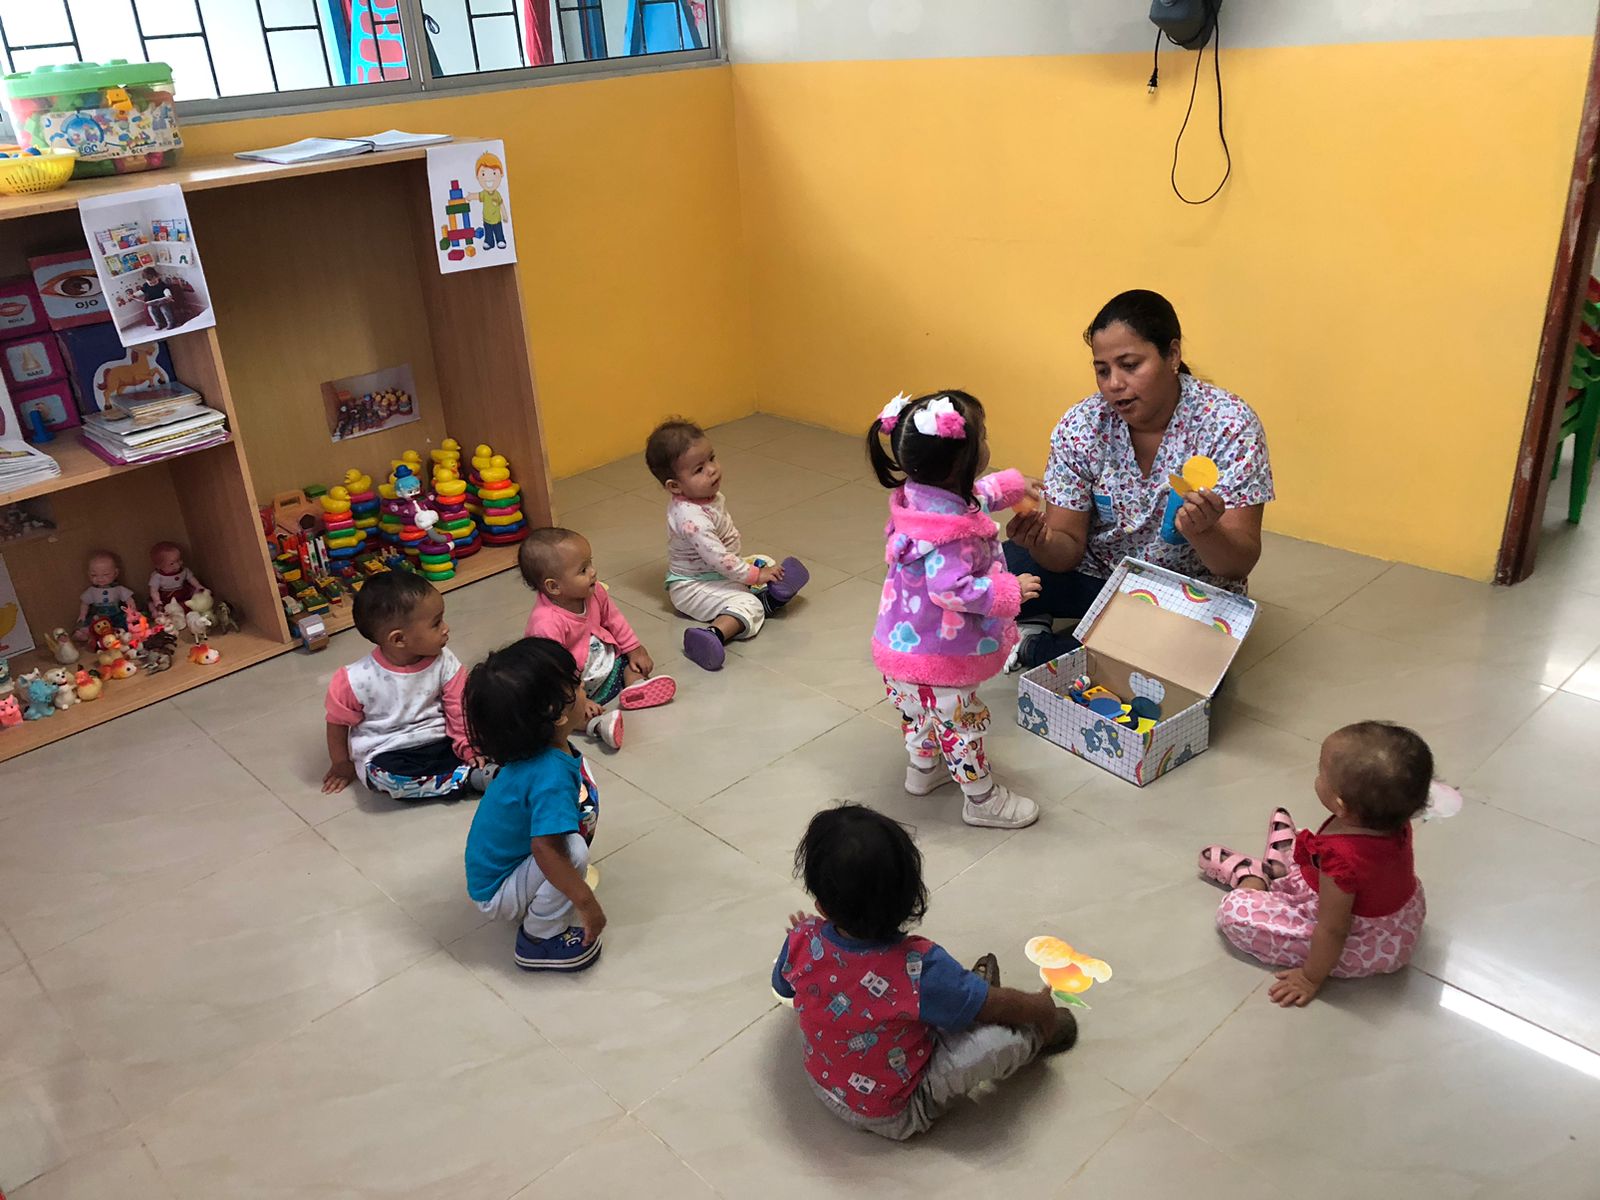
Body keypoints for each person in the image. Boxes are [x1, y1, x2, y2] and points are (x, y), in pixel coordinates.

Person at [1004, 289, 1274, 670]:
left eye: (1130, 365)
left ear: (1173, 355)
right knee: (983, 571)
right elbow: (1067, 549)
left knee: (1187, 665)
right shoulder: (1082, 426)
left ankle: (1038, 648)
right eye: (1102, 370)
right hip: (1099, 577)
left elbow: (1237, 563)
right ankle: (1087, 644)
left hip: (1184, 596)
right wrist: (1042, 542)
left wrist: (1205, 531)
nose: (1114, 383)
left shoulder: (1229, 425)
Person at [773, 805, 1077, 1140]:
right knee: (998, 1038)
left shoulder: (801, 938)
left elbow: (784, 989)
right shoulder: (919, 966)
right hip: (897, 1110)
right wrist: (1041, 1010)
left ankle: (964, 998)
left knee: (939, 1003)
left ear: (821, 905)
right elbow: (998, 1005)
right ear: (910, 895)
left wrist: (806, 940)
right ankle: (1033, 1034)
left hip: (823, 1083)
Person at [867, 390, 1044, 830]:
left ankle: (921, 772)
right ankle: (981, 800)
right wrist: (1008, 590)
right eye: (983, 437)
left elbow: (974, 494)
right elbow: (953, 590)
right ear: (961, 463)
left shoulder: (923, 495)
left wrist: (1013, 486)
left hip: (903, 647)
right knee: (962, 727)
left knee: (919, 716)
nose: (987, 444)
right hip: (937, 655)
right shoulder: (950, 534)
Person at [1198, 721, 1442, 1007]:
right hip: (1395, 919)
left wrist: (1310, 977)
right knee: (1311, 848)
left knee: (1233, 914)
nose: (1317, 775)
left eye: (1320, 771)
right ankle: (1281, 868)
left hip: (1364, 939)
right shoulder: (1391, 818)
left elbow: (1333, 929)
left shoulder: (1342, 861)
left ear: (1340, 805)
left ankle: (1252, 880)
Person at [463, 638, 604, 972]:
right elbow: (545, 850)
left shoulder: (534, 753)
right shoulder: (549, 774)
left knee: (568, 846)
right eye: (576, 685)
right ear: (556, 714)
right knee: (572, 852)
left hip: (497, 872)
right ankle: (539, 939)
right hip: (496, 891)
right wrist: (585, 901)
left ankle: (538, 899)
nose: (584, 688)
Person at [646, 417, 810, 671]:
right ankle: (715, 634)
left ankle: (761, 598)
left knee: (763, 561)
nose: (712, 470)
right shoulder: (691, 519)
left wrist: (756, 571)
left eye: (711, 458)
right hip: (693, 587)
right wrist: (756, 576)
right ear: (675, 486)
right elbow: (719, 559)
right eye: (699, 469)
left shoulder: (705, 495)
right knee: (749, 602)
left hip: (716, 573)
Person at [322, 571, 486, 800]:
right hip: (390, 751)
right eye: (436, 623)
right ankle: (466, 780)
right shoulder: (355, 679)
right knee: (386, 778)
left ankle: (471, 772)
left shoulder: (445, 661)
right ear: (399, 639)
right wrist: (341, 763)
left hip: (442, 739)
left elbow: (460, 707)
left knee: (491, 731)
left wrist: (468, 746)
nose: (446, 628)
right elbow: (337, 724)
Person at [521, 526, 677, 750]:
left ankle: (636, 686)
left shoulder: (594, 593)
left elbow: (615, 620)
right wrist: (577, 699)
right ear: (554, 586)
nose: (593, 572)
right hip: (570, 683)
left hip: (605, 662)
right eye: (583, 570)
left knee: (630, 664)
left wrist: (634, 649)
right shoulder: (546, 622)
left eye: (590, 563)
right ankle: (596, 725)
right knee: (556, 712)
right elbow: (551, 672)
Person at [469, 152, 508, 250]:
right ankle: (489, 242)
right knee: (488, 232)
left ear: (501, 174)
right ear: (477, 177)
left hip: (497, 219)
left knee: (498, 231)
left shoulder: (497, 194)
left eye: (494, 173)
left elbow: (501, 204)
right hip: (487, 219)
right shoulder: (484, 194)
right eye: (483, 174)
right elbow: (478, 196)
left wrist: (505, 215)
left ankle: (500, 240)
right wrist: (470, 196)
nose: (488, 178)